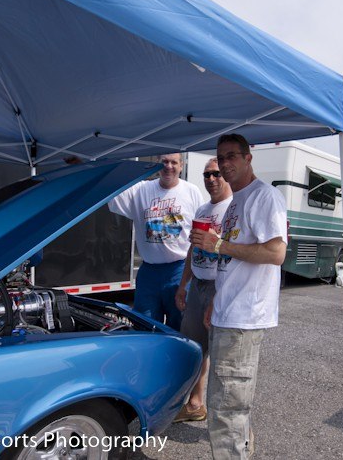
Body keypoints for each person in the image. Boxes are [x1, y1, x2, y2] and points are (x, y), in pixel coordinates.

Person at [190, 134, 287, 460]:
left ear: (248, 158)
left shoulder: (264, 196)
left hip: (244, 317)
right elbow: (231, 263)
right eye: (221, 157)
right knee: (230, 404)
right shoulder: (236, 201)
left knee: (225, 409)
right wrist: (216, 299)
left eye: (232, 156)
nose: (225, 163)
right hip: (226, 311)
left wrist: (218, 244)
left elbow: (276, 253)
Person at [108, 153, 203, 330]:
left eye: (174, 162)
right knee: (145, 325)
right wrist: (85, 164)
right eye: (164, 162)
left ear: (181, 166)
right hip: (149, 273)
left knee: (179, 326)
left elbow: (200, 231)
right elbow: (109, 187)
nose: (169, 166)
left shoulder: (192, 192)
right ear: (157, 164)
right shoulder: (140, 190)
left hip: (179, 271)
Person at [173, 157, 233, 423]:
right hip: (197, 284)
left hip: (221, 286)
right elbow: (192, 249)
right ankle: (196, 404)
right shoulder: (202, 209)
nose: (211, 179)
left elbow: (238, 256)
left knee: (224, 357)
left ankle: (231, 423)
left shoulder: (233, 209)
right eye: (207, 174)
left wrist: (218, 295)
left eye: (216, 174)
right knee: (196, 349)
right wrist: (183, 285)